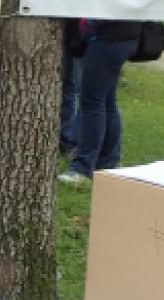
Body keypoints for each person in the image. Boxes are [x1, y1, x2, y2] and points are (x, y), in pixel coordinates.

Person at [58, 19, 142, 185]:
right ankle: (108, 161)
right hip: (123, 35)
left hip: (107, 37)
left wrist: (85, 25)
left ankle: (82, 168)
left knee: (92, 102)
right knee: (107, 101)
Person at [59, 18, 85, 156]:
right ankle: (66, 138)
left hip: (83, 34)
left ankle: (74, 141)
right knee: (68, 86)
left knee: (80, 90)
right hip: (69, 30)